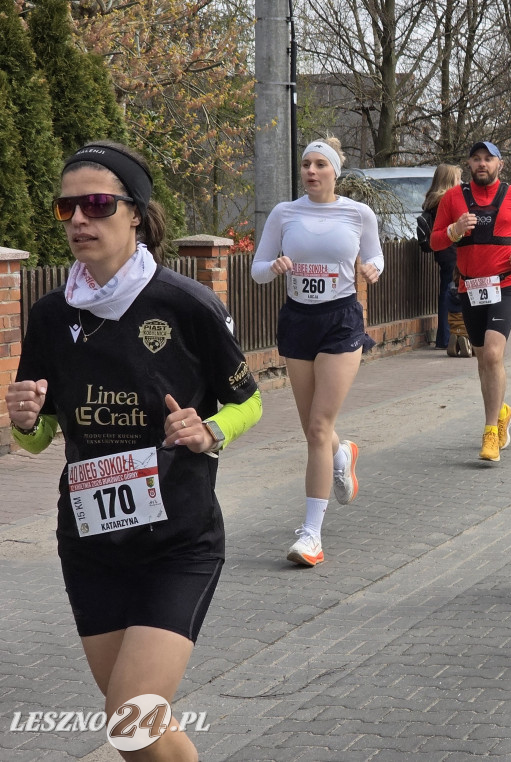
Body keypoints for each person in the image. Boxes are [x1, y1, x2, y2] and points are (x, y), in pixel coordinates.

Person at [6, 140, 262, 760]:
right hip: (92, 542)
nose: (78, 221)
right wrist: (22, 421)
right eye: (65, 209)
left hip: (178, 541)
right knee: (133, 733)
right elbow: (41, 436)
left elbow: (249, 400)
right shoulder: (49, 315)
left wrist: (211, 431)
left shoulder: (185, 304)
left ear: (137, 214)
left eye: (95, 204)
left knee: (132, 717)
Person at [251, 137, 383, 566]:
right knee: (316, 428)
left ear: (335, 172)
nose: (310, 171)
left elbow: (376, 257)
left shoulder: (358, 213)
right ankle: (342, 452)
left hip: (341, 320)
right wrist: (273, 268)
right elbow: (256, 270)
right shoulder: (284, 213)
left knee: (316, 427)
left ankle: (311, 535)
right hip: (298, 321)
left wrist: (371, 269)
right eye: (306, 164)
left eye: (320, 164)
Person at [430, 140, 511, 462]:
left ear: (500, 164)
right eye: (476, 159)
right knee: (483, 360)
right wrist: (453, 231)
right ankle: (502, 412)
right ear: (468, 164)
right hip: (470, 288)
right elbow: (435, 239)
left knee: (493, 354)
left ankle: (490, 432)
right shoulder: (453, 198)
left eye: (488, 159)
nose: (482, 164)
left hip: (506, 284)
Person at [416, 164, 462, 352]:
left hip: (441, 250)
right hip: (452, 248)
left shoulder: (432, 200)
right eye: (458, 179)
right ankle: (448, 336)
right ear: (450, 180)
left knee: (445, 290)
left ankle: (444, 337)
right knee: (452, 291)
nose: (461, 183)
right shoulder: (448, 199)